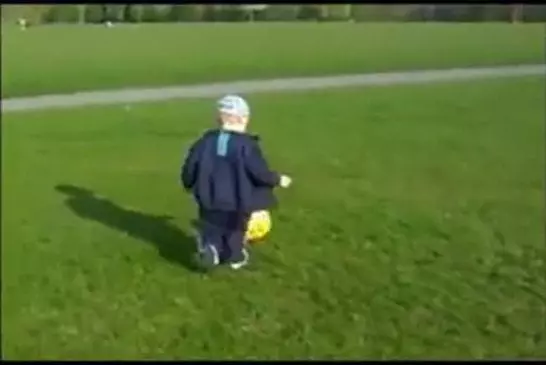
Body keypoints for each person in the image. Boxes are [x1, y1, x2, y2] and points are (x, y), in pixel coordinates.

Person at [181, 94, 292, 270]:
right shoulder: (246, 145)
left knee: (211, 226)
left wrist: (188, 182)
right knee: (235, 230)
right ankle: (235, 257)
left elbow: (190, 165)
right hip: (238, 200)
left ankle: (212, 248)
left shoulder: (205, 141)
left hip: (208, 198)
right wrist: (278, 179)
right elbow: (259, 172)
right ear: (244, 119)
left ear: (218, 118)